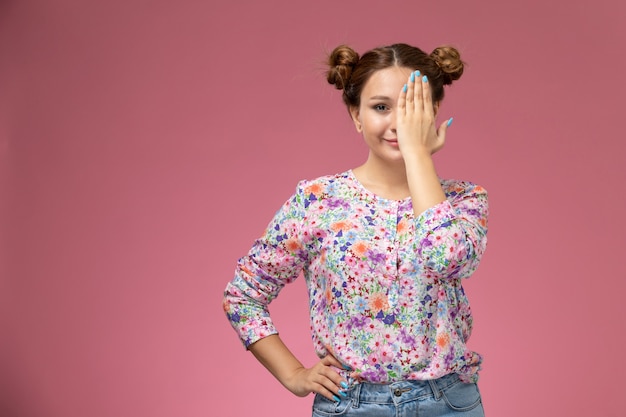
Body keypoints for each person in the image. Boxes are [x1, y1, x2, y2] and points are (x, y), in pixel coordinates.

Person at [223, 42, 488, 417]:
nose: (398, 123)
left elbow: (447, 257)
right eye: (381, 107)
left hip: (447, 402)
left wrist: (417, 155)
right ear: (356, 114)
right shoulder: (317, 200)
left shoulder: (464, 200)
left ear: (434, 111)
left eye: (412, 107)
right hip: (351, 405)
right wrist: (294, 374)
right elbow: (242, 295)